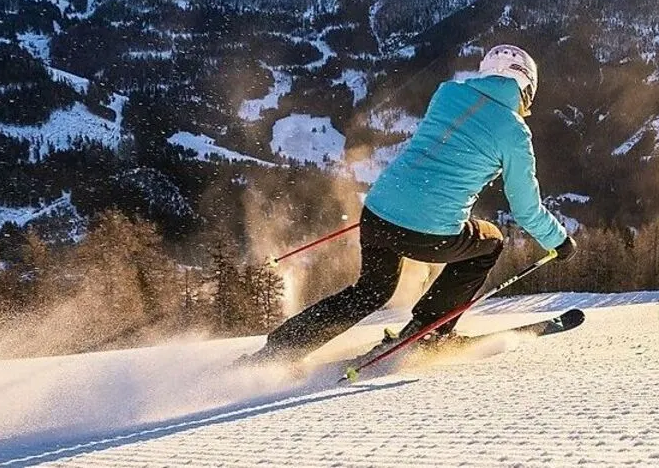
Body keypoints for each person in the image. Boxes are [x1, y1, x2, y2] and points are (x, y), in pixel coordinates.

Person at [246, 44, 577, 363]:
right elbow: (525, 209)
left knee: (370, 292)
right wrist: (559, 241)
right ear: (525, 89)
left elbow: (443, 154)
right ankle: (427, 333)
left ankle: (281, 349)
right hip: (428, 233)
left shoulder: (447, 93)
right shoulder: (515, 133)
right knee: (490, 243)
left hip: (376, 213)